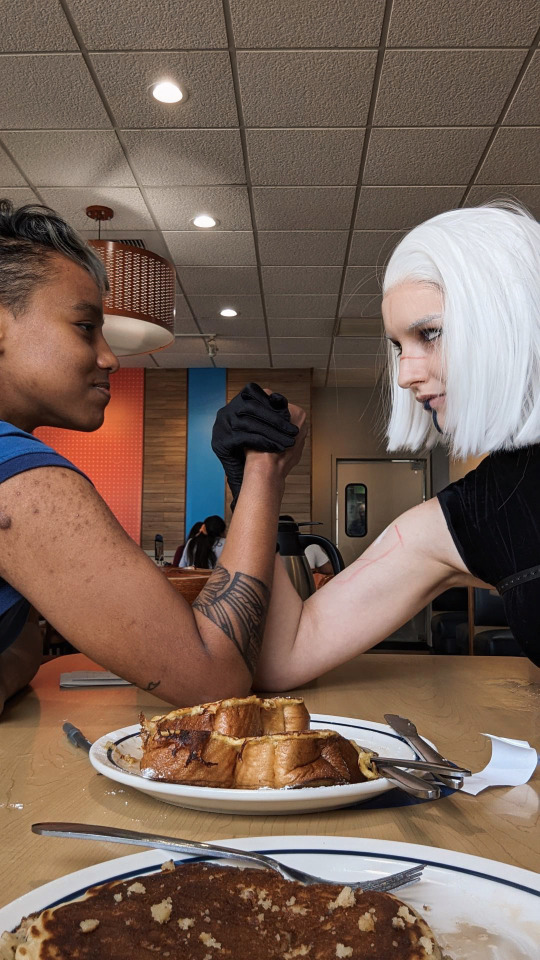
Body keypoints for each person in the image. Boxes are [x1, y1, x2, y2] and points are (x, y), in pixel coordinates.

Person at [0, 200, 306, 716]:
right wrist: (264, 471)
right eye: (84, 327)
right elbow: (213, 682)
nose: (109, 357)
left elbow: (26, 644)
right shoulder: (19, 475)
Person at [212, 202, 540, 681]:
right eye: (398, 346)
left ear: (511, 319)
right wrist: (254, 482)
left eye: (430, 333)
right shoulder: (485, 508)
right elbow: (285, 655)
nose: (406, 374)